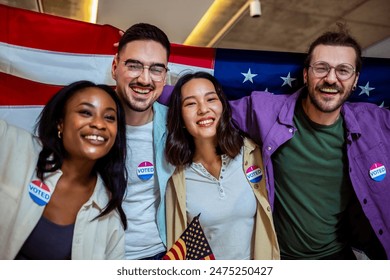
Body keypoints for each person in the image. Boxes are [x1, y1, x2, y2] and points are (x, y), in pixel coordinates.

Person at [229, 23, 390, 259]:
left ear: (356, 80)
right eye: (321, 68)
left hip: (340, 255)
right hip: (278, 256)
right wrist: (157, 90)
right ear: (306, 75)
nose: (331, 79)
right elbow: (206, 107)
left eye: (343, 70)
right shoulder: (266, 112)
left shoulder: (375, 121)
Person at [0, 80, 128, 260]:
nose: (99, 124)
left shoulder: (110, 217)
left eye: (109, 117)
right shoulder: (13, 145)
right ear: (60, 123)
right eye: (85, 112)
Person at [164, 72, 279, 259]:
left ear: (223, 107)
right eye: (191, 103)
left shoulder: (252, 153)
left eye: (210, 99)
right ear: (181, 118)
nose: (203, 109)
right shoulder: (174, 175)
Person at [111, 23, 175, 259]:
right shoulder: (88, 121)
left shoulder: (177, 125)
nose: (144, 79)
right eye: (134, 65)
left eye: (156, 69)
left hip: (162, 254)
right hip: (97, 254)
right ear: (115, 67)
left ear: (165, 76)